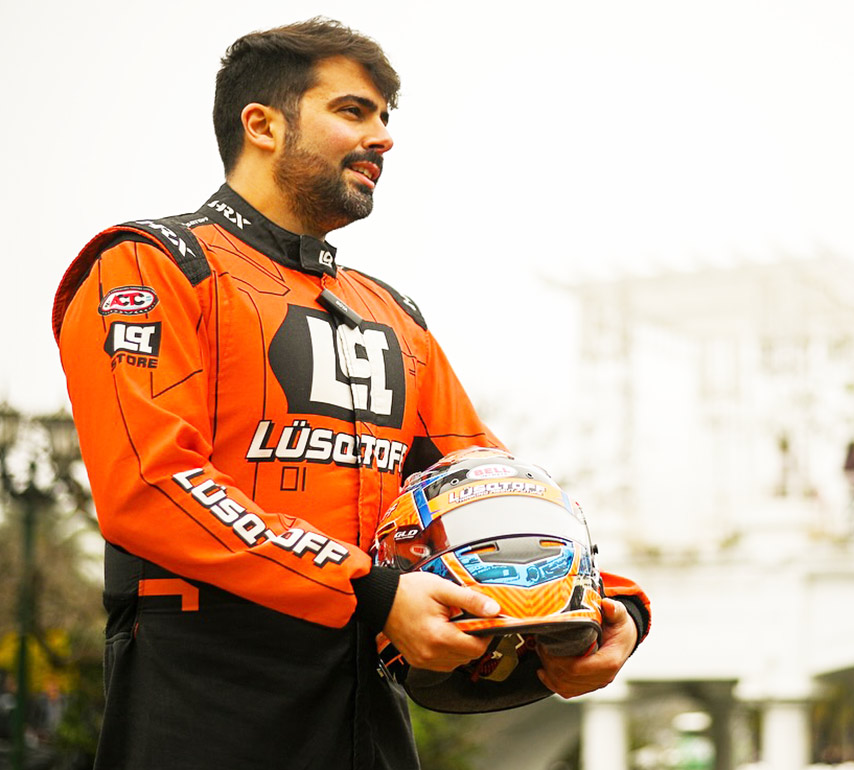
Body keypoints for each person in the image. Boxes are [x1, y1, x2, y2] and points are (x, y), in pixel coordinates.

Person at [51, 18, 649, 770]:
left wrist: (607, 605)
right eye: (353, 111)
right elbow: (151, 486)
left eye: (386, 119)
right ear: (262, 125)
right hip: (204, 699)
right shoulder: (151, 264)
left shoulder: (389, 313)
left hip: (368, 701)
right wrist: (374, 592)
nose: (384, 138)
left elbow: (490, 490)